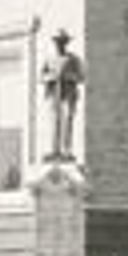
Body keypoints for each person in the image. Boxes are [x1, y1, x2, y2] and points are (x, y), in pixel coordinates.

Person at [41, 29, 85, 160]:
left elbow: (81, 77)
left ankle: (67, 150)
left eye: (62, 42)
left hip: (68, 94)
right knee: (54, 121)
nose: (59, 44)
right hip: (54, 94)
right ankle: (54, 150)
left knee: (67, 121)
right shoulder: (49, 59)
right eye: (57, 42)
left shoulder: (73, 59)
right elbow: (42, 76)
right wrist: (51, 77)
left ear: (66, 43)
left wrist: (68, 76)